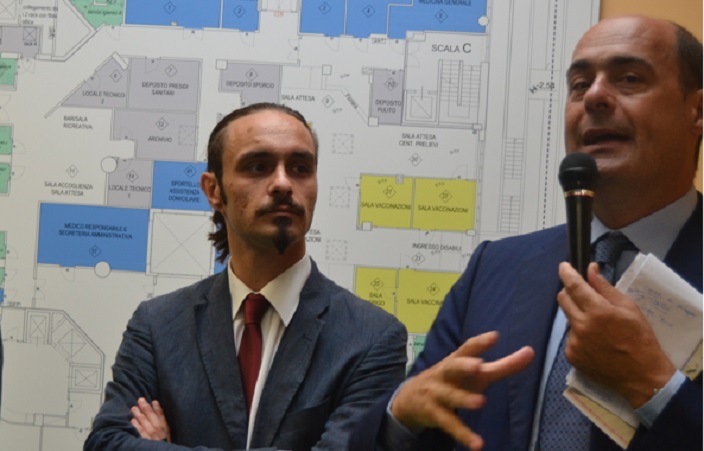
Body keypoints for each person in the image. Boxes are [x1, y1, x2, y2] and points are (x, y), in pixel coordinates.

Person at [349, 15, 702, 451]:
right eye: (579, 85)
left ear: (697, 111)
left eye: (629, 79)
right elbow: (414, 423)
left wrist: (652, 386)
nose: (594, 97)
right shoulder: (496, 268)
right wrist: (399, 415)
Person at [84, 103, 407, 450]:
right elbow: (106, 444)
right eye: (258, 167)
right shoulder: (158, 326)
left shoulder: (372, 338)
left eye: (300, 168)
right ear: (214, 190)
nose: (283, 183)